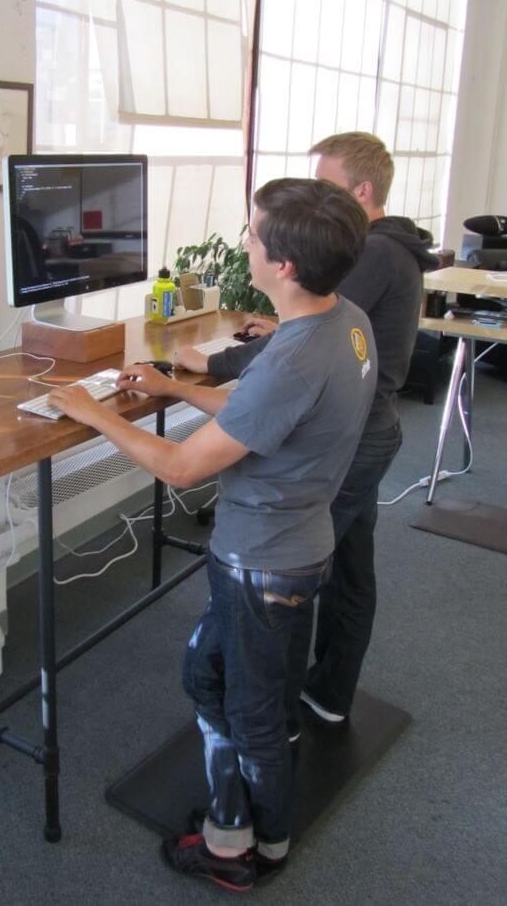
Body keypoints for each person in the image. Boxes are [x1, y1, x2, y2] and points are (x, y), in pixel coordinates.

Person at [48, 178, 376, 892]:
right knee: (220, 679)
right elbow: (261, 407)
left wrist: (95, 413)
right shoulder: (344, 319)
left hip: (262, 563)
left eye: (253, 234)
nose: (246, 242)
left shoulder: (294, 355)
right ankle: (242, 813)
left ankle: (249, 848)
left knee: (242, 704)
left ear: (282, 265)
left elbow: (180, 468)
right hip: (299, 543)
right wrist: (173, 389)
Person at [175, 132, 435, 727]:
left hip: (344, 442)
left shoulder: (371, 255)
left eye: (325, 185)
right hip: (369, 431)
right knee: (346, 567)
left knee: (293, 583)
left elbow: (298, 340)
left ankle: (271, 714)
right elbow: (303, 328)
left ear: (361, 192)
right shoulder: (384, 255)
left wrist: (213, 364)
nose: (314, 198)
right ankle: (325, 694)